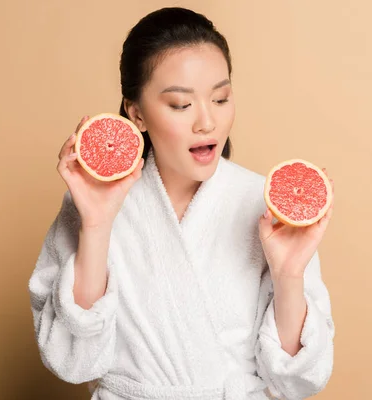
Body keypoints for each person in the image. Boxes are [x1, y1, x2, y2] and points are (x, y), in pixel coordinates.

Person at [28, 7, 335, 400]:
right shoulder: (91, 204)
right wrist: (97, 226)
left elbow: (295, 381)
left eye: (221, 98)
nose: (207, 122)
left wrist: (289, 275)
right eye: (181, 105)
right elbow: (75, 361)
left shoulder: (265, 206)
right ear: (136, 113)